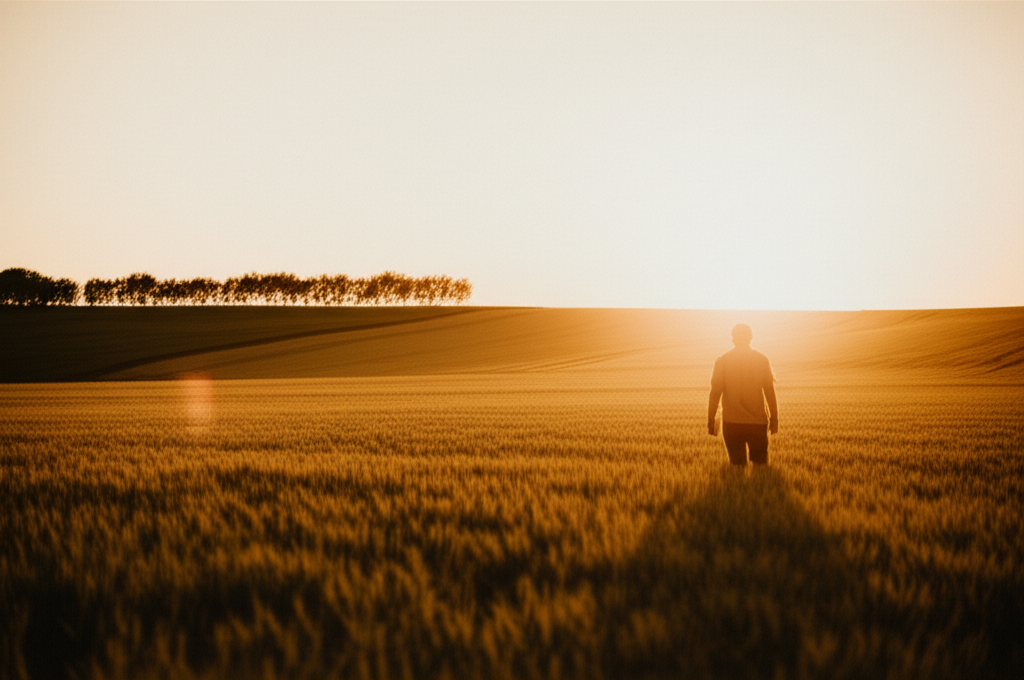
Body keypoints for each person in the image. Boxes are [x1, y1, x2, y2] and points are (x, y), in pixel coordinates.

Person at [707, 323, 778, 465]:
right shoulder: (762, 360)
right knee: (760, 468)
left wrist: (711, 419)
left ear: (733, 339)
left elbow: (715, 393)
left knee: (737, 467)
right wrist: (774, 418)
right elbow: (769, 392)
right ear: (750, 338)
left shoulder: (723, 361)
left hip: (732, 423)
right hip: (757, 423)